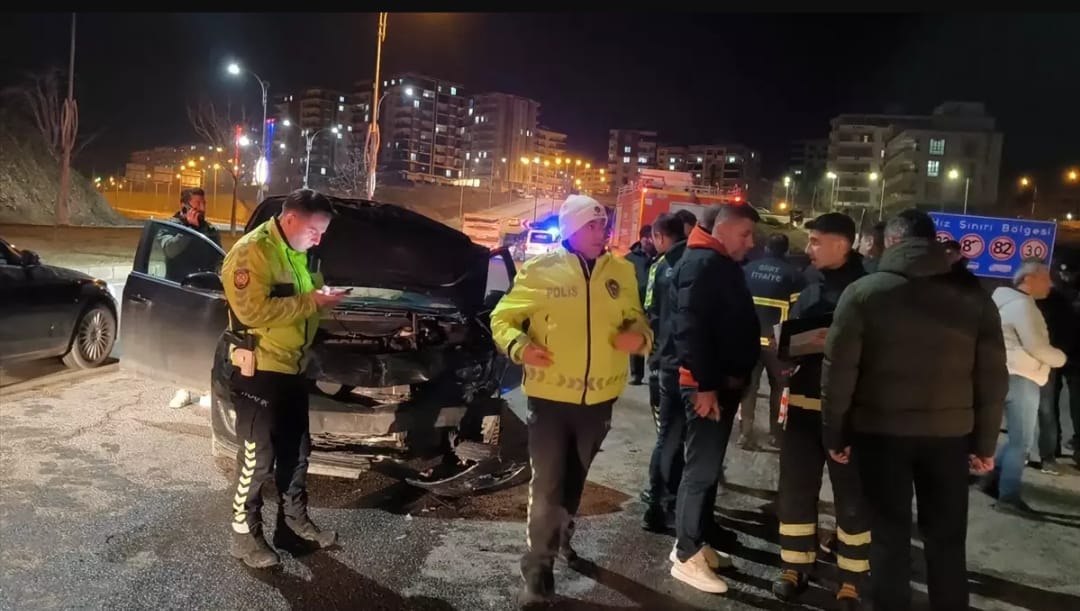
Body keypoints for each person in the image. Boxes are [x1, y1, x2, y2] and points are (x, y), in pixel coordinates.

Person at [821, 208, 1008, 611]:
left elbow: (839, 374)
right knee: (946, 538)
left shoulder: (865, 292)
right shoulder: (973, 297)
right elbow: (993, 377)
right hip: (949, 438)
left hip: (881, 434)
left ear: (891, 242)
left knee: (889, 537)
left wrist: (836, 433)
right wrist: (985, 443)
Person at [490, 194, 652, 604]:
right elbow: (502, 318)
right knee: (547, 484)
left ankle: (562, 537)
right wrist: (520, 347)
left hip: (599, 400)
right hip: (549, 399)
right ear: (573, 229)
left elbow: (637, 317)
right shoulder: (541, 270)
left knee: (575, 482)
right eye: (594, 226)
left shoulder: (623, 272)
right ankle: (538, 569)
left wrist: (641, 336)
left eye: (604, 225)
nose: (604, 233)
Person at [221, 189, 348, 569]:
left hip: (293, 367)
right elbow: (254, 311)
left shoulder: (296, 252)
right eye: (314, 230)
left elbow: (299, 299)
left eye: (323, 232)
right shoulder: (251, 253)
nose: (318, 239)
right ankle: (244, 537)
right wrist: (313, 302)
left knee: (297, 454)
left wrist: (320, 295)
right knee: (256, 461)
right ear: (291, 218)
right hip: (259, 369)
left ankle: (293, 526)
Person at [772, 213, 868, 608]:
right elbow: (792, 332)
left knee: (853, 496)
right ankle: (795, 565)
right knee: (796, 490)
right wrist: (787, 354)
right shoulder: (806, 283)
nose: (807, 248)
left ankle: (852, 579)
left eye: (815, 241)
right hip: (801, 403)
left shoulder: (868, 289)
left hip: (849, 412)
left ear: (842, 245)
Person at [669, 204, 760, 594]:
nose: (751, 243)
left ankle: (697, 541)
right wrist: (705, 386)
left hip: (719, 383)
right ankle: (686, 554)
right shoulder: (703, 264)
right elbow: (690, 329)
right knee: (700, 471)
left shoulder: (715, 261)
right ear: (722, 230)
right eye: (745, 235)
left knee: (706, 470)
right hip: (706, 387)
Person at [986, 258, 1067, 515]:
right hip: (1022, 376)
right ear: (1028, 279)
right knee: (1022, 441)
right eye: (1045, 278)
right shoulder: (1022, 306)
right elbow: (1037, 347)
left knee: (1015, 439)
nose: (1050, 284)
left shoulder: (1003, 300)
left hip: (1005, 372)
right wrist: (1061, 357)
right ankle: (1008, 496)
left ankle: (992, 481)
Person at [642, 213, 688, 533]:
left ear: (659, 237)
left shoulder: (660, 267)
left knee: (666, 436)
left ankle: (658, 501)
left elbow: (649, 312)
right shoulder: (698, 261)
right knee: (680, 436)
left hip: (663, 361)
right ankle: (674, 496)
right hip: (690, 362)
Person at [739, 232, 805, 449]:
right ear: (786, 251)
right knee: (779, 389)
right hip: (778, 344)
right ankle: (776, 435)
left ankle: (745, 433)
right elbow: (798, 313)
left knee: (748, 388)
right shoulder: (794, 276)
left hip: (748, 341)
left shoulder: (748, 270)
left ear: (766, 248)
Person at [159, 188, 223, 409]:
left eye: (204, 203)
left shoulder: (211, 230)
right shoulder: (170, 226)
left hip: (205, 294)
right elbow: (170, 251)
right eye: (198, 204)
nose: (203, 208)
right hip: (179, 294)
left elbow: (219, 260)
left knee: (205, 342)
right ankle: (183, 389)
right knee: (181, 343)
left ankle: (205, 388)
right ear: (184, 205)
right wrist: (188, 230)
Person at [1032, 280, 1078, 474]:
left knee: (1047, 407)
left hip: (1055, 357)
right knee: (1048, 407)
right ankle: (1051, 453)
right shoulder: (1058, 300)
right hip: (1060, 356)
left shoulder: (1047, 300)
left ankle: (1050, 453)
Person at [625, 225, 657, 385]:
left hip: (654, 305)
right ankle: (637, 374)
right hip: (635, 304)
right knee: (637, 338)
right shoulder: (630, 258)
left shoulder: (659, 257)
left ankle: (655, 370)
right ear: (642, 238)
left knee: (655, 339)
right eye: (647, 238)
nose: (650, 242)